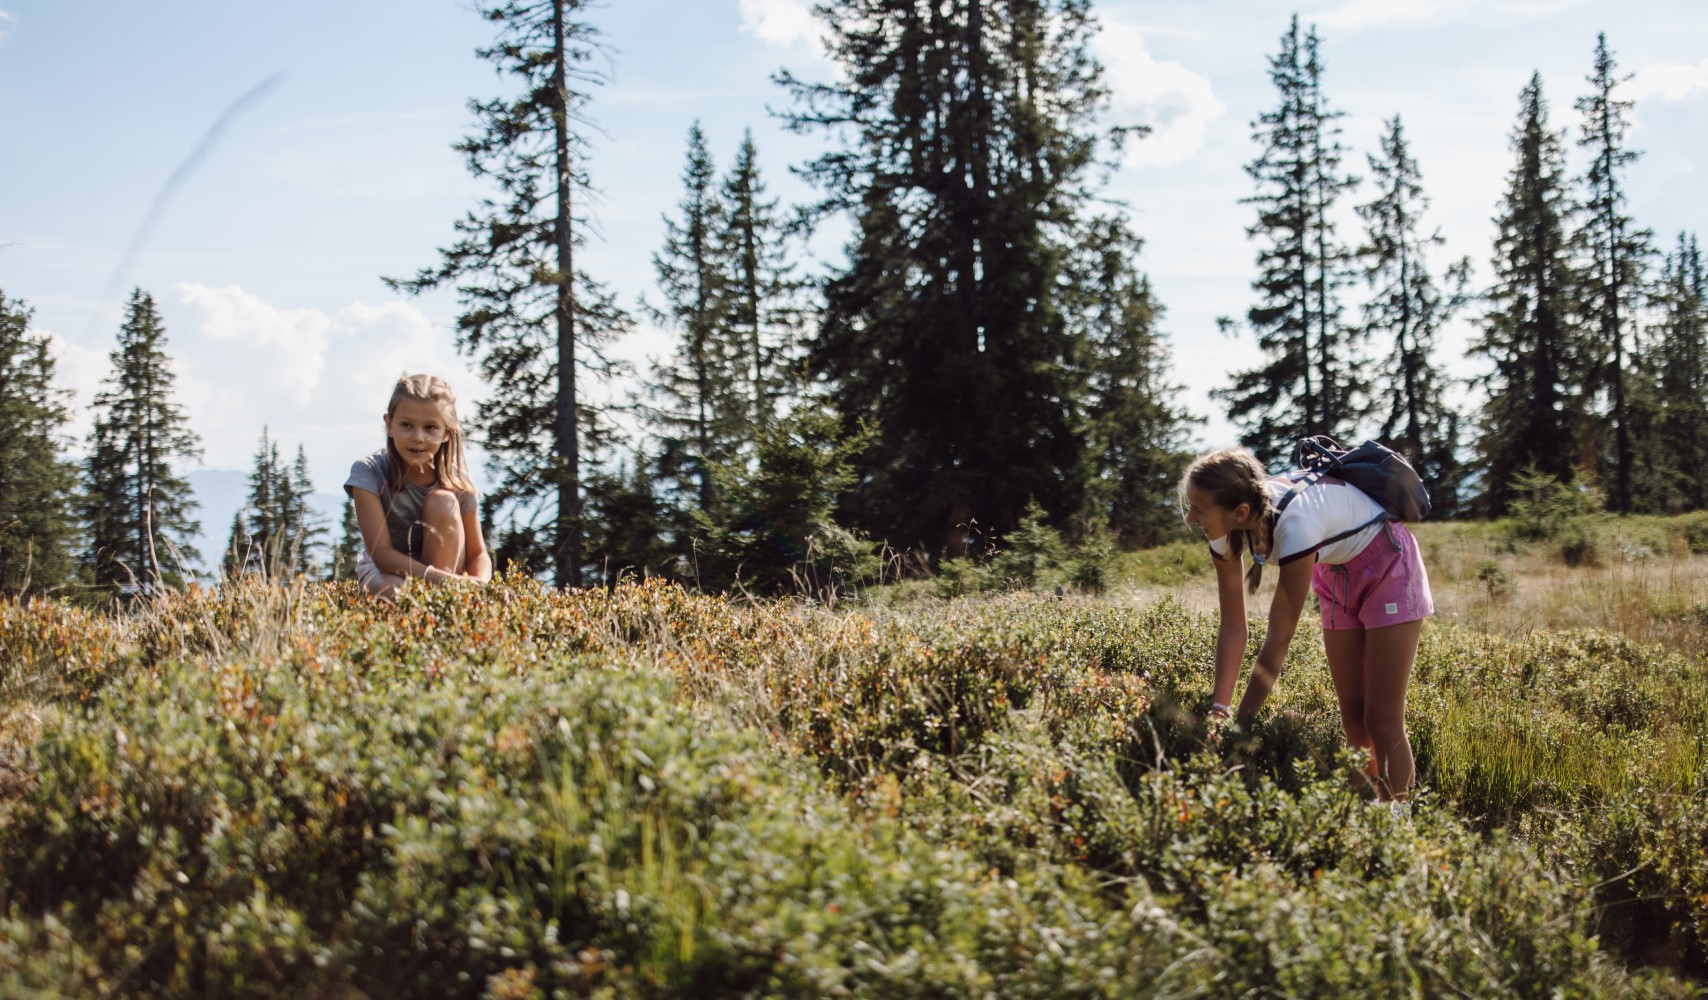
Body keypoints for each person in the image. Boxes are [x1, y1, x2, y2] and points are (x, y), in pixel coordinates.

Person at [1179, 447, 1432, 802]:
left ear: (1240, 513)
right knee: (1354, 722)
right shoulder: (1223, 526)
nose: (1191, 517)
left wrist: (1241, 727)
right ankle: (1365, 817)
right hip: (1336, 573)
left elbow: (1278, 640)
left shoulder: (1295, 527)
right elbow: (1234, 626)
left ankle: (1396, 828)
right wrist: (1219, 711)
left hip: (1389, 565)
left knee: (1382, 720)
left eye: (1199, 509)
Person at [345, 374, 491, 600]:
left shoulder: (457, 480)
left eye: (430, 427)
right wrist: (449, 583)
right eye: (406, 425)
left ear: (446, 433)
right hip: (387, 573)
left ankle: (435, 604)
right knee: (393, 592)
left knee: (443, 501)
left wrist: (480, 586)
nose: (418, 437)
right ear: (389, 425)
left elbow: (478, 554)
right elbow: (382, 556)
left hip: (447, 574)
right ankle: (434, 602)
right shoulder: (369, 473)